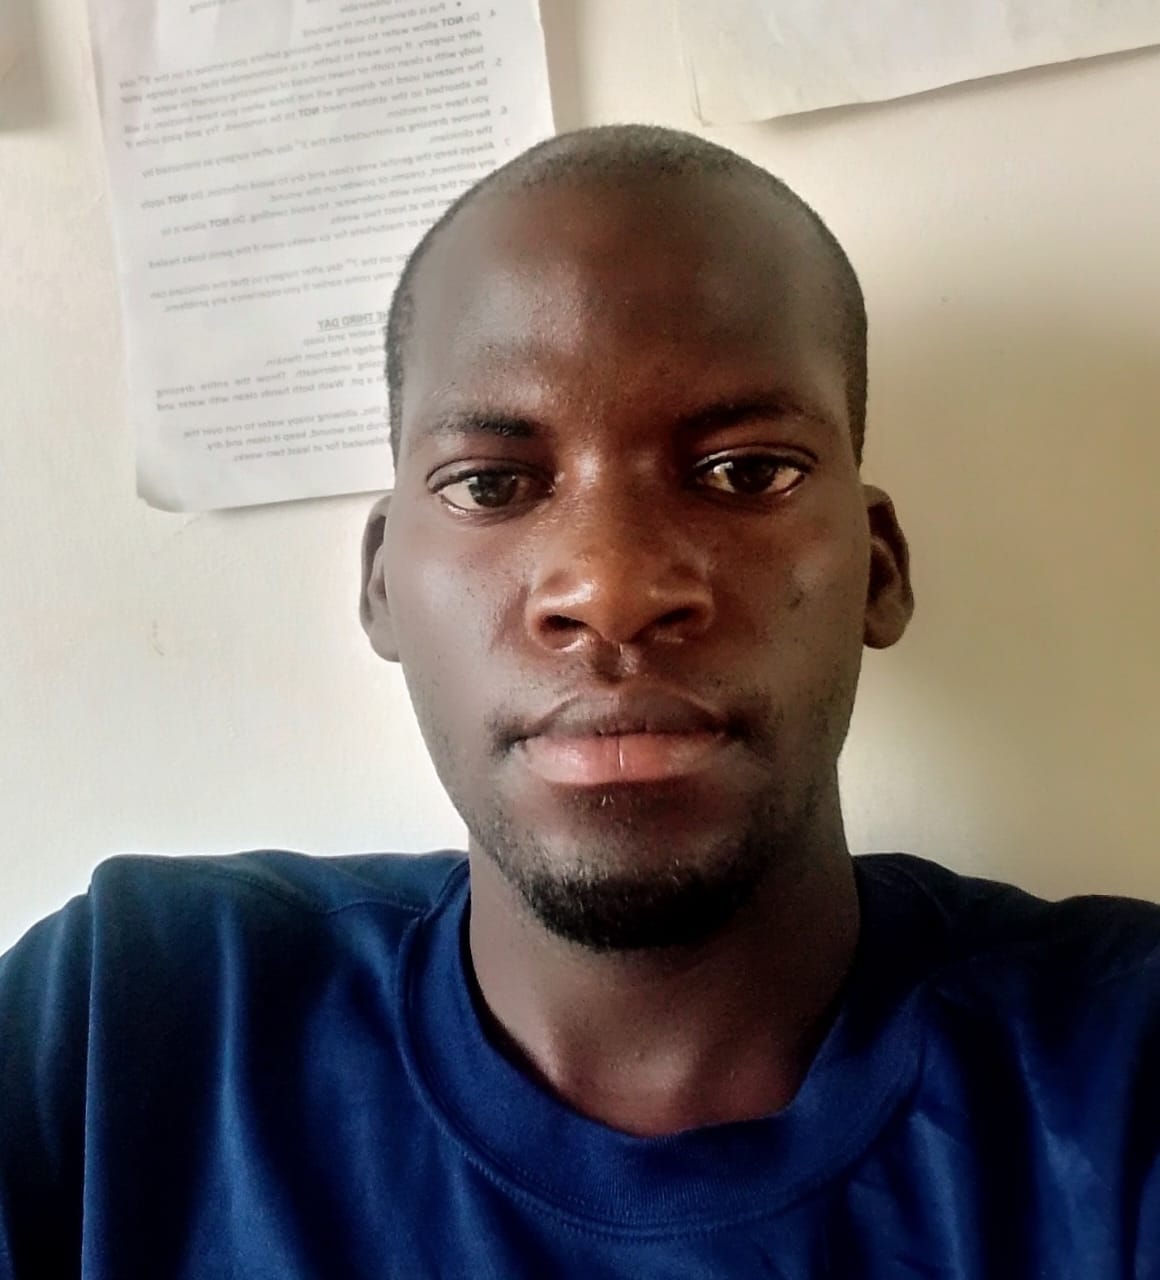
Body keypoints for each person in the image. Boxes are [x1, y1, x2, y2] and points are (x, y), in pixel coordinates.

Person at [1, 124, 1157, 1278]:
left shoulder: (1122, 1067)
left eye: (744, 471)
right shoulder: (123, 1034)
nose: (609, 588)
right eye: (491, 484)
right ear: (382, 583)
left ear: (877, 567)